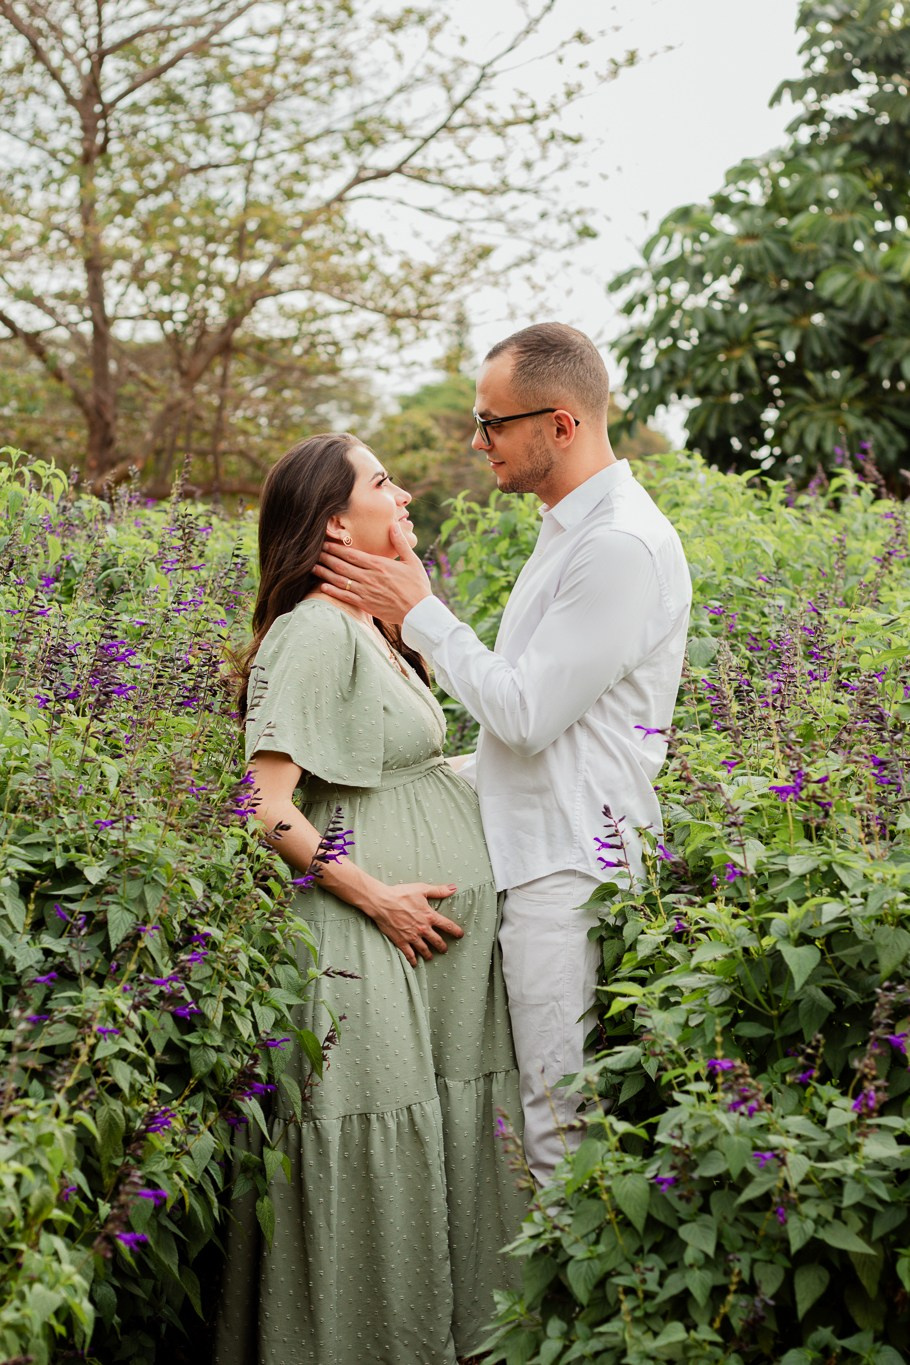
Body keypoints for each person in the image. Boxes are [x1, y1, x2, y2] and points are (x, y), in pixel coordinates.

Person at [316, 323, 692, 1186]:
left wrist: (420, 609)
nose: (476, 441)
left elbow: (523, 715)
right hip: (525, 851)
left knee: (556, 1126)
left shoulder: (618, 547)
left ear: (560, 425)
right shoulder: (566, 527)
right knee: (525, 1115)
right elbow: (518, 726)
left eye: (493, 423)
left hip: (567, 866)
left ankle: (583, 1317)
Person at [215, 433, 527, 1365]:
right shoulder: (312, 627)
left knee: (445, 1149)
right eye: (382, 483)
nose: (402, 495)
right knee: (369, 1150)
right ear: (334, 523)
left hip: (432, 960)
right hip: (365, 942)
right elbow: (263, 809)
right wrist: (378, 897)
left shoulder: (371, 629)